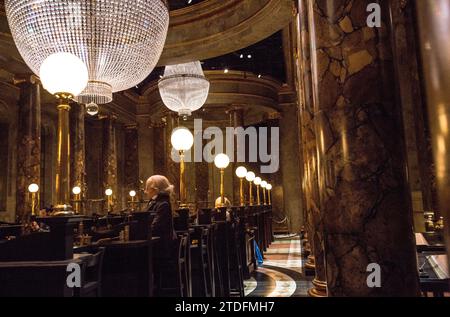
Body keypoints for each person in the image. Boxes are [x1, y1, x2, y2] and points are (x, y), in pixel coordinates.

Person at [144, 175, 177, 244]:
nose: (145, 191)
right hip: (156, 242)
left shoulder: (163, 204)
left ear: (155, 189)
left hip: (161, 246)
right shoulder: (155, 202)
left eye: (147, 188)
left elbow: (155, 227)